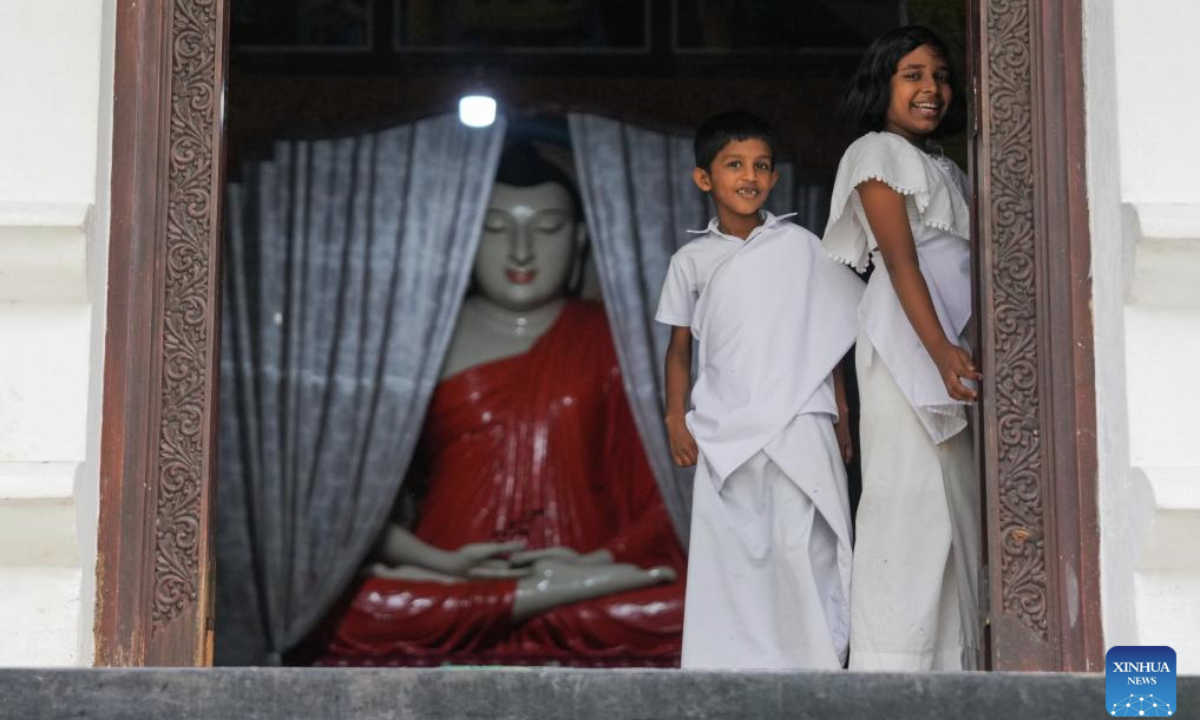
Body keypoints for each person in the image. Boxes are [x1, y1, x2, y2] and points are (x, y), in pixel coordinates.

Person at [320, 145, 686, 666]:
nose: (521, 251)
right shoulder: (420, 340)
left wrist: (600, 559)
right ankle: (531, 597)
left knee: (682, 610)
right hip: (451, 574)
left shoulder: (614, 341)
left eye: (547, 227)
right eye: (495, 228)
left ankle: (543, 595)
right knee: (346, 609)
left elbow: (664, 500)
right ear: (465, 238)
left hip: (583, 578)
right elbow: (355, 502)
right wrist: (443, 564)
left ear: (582, 238)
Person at [656, 111, 864, 669]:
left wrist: (843, 414)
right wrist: (676, 417)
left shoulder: (803, 246)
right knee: (734, 554)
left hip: (802, 416)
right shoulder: (690, 261)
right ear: (705, 178)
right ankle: (731, 672)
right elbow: (680, 351)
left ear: (774, 180)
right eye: (734, 164)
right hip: (725, 430)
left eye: (761, 166)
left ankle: (814, 670)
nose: (749, 176)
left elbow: (829, 333)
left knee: (803, 546)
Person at [823, 25, 983, 671]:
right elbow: (901, 262)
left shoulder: (944, 161)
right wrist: (941, 349)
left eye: (940, 76)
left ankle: (951, 668)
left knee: (953, 513)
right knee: (908, 507)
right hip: (907, 349)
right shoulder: (875, 152)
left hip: (950, 350)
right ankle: (892, 670)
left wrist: (956, 349)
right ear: (882, 85)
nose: (931, 89)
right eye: (912, 74)